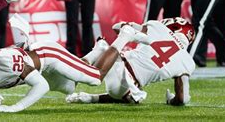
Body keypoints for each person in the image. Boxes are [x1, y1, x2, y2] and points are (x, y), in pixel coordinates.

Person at [0, 29, 101, 112]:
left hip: (49, 56)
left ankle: (120, 38)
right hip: (40, 70)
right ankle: (98, 50)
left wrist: (15, 107)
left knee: (95, 79)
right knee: (70, 87)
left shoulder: (8, 61)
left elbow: (42, 85)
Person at [66, 17, 195, 105]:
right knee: (131, 96)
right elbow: (182, 99)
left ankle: (97, 51)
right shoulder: (187, 62)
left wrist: (130, 30)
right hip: (125, 89)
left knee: (97, 68)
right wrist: (171, 100)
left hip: (117, 65)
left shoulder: (157, 27)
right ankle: (92, 97)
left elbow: (117, 27)